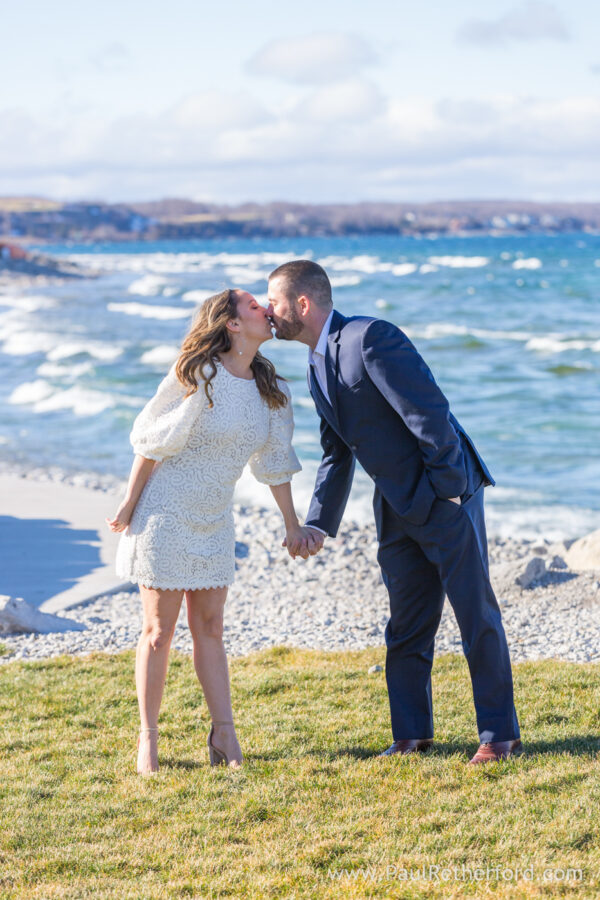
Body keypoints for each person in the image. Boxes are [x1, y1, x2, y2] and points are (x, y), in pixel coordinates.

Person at [266, 260, 522, 765]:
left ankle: (500, 736)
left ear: (302, 304)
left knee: (476, 616)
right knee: (406, 624)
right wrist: (317, 521)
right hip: (394, 505)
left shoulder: (370, 338)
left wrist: (449, 492)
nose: (268, 313)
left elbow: (429, 412)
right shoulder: (317, 365)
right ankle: (412, 735)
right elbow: (338, 452)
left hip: (445, 497)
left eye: (272, 302)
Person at [106, 288, 311, 775]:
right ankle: (148, 740)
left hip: (215, 518)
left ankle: (224, 734)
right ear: (233, 324)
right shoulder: (196, 372)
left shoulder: (271, 391)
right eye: (255, 305)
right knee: (158, 633)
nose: (266, 308)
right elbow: (152, 441)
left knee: (212, 630)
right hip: (165, 513)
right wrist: (130, 503)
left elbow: (276, 463)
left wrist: (292, 523)